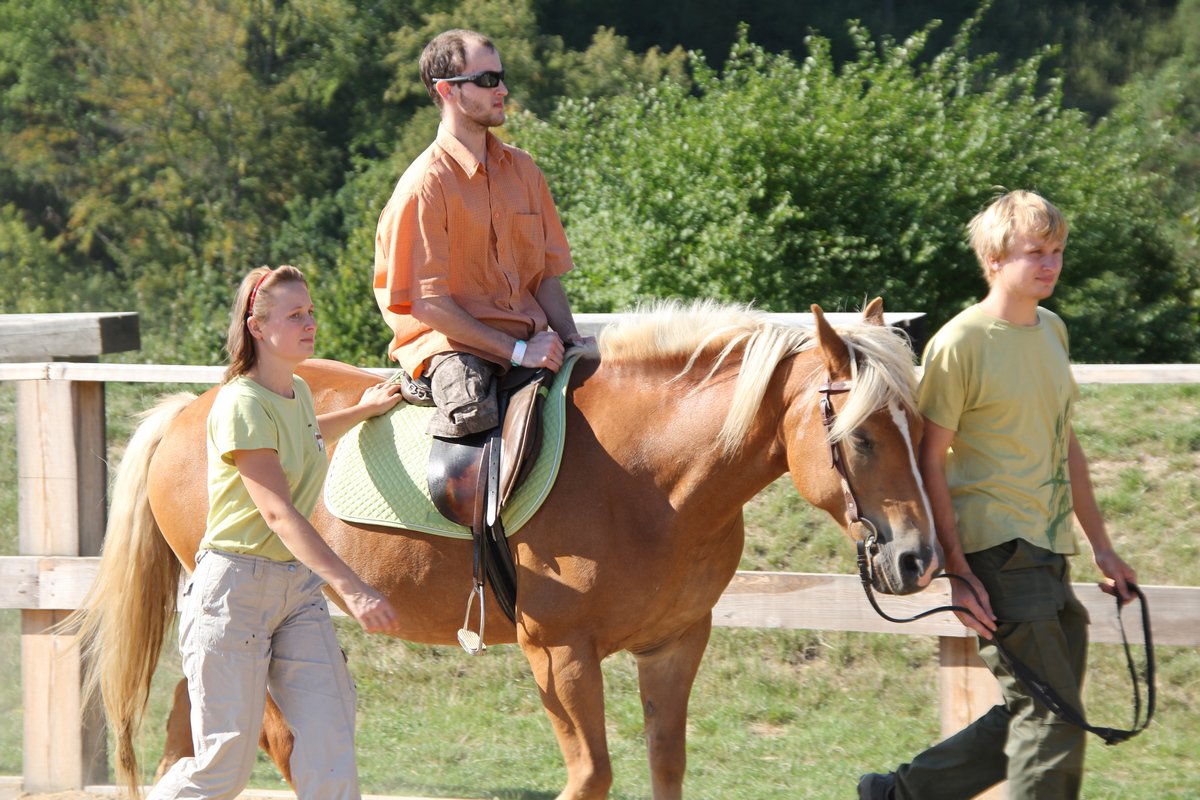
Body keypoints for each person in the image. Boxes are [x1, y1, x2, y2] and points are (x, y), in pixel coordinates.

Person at [858, 191, 1138, 800]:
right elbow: (929, 462)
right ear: (993, 259)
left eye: (1057, 250)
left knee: (1033, 712)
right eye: (1035, 251)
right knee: (1052, 719)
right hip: (997, 551)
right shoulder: (961, 342)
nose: (1050, 263)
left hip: (1049, 547)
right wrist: (957, 571)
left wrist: (1102, 547)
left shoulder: (1053, 330)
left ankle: (897, 795)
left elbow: (1065, 442)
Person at [151, 265, 404, 800]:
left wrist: (364, 410)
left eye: (309, 312)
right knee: (223, 770)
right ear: (258, 327)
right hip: (234, 591)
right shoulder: (242, 402)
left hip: (296, 591)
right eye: (294, 315)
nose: (310, 323)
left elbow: (306, 437)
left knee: (331, 749)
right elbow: (278, 514)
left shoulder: (297, 393)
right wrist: (355, 590)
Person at [373, 28, 591, 439]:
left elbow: (545, 276)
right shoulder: (424, 187)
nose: (502, 89)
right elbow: (428, 305)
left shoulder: (524, 171)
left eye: (501, 77)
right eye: (488, 79)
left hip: (530, 340)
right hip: (452, 347)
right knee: (471, 414)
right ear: (447, 90)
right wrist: (519, 351)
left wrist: (571, 338)